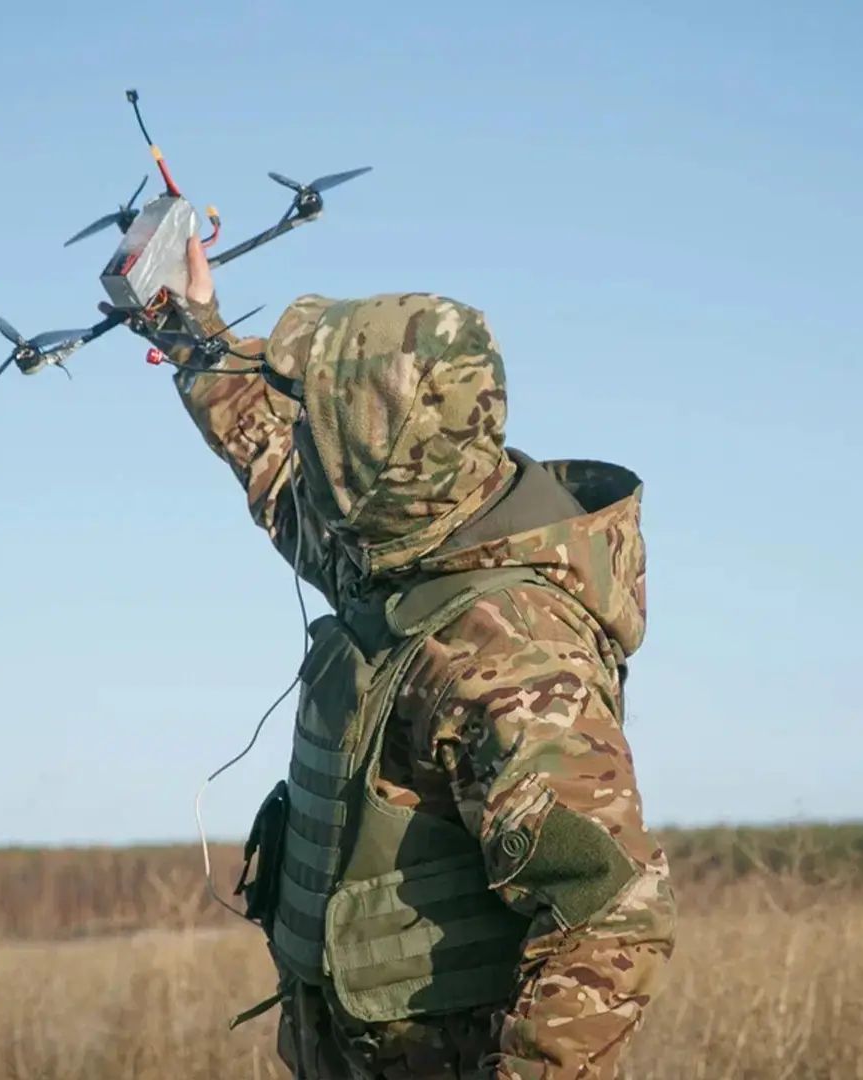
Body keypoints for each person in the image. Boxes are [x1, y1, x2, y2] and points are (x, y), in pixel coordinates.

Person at [153, 237, 675, 1080]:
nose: (306, 447)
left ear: (375, 454)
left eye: (325, 426)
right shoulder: (403, 552)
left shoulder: (513, 657)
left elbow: (612, 921)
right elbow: (275, 464)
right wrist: (189, 328)